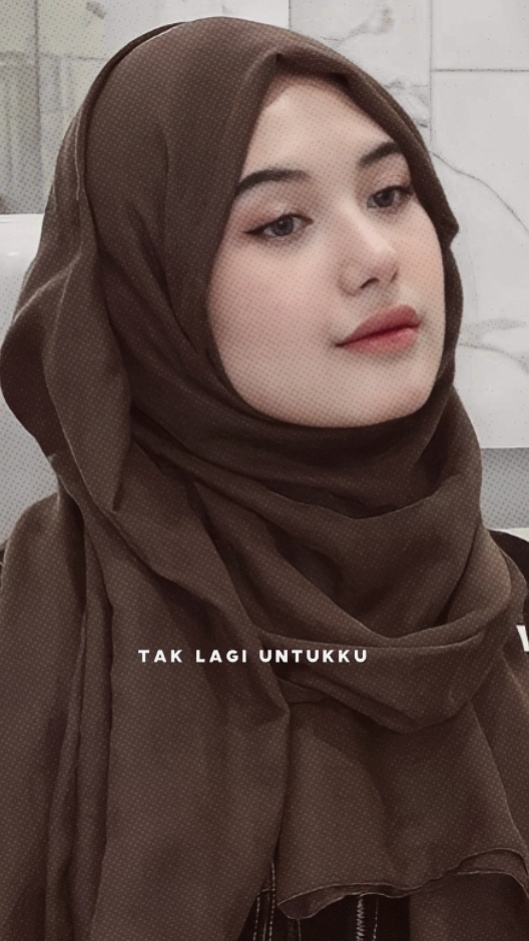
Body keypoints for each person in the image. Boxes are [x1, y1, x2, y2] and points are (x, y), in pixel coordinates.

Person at [0, 16, 528, 941]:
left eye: (390, 192)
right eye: (280, 222)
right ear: (148, 291)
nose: (377, 258)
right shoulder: (33, 634)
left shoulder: (507, 612)